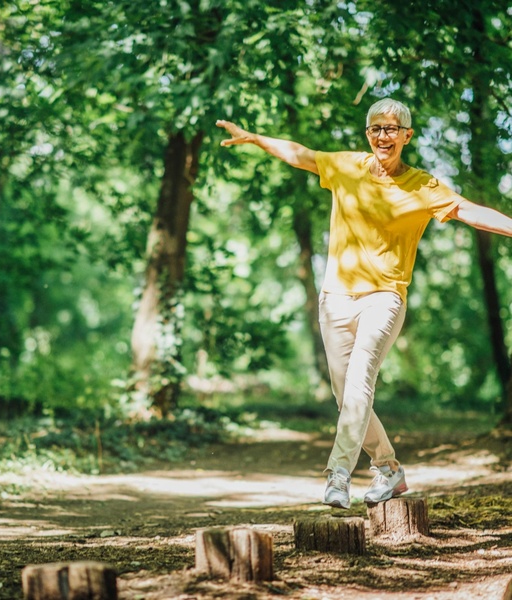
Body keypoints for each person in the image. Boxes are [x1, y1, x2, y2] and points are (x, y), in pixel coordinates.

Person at [216, 98, 512, 509]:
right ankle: (389, 470)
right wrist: (255, 139)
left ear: (407, 135)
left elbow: (467, 209)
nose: (382, 136)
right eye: (375, 128)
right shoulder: (346, 166)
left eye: (391, 128)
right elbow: (300, 154)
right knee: (347, 397)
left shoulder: (422, 186)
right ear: (367, 134)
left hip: (384, 298)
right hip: (334, 299)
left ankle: (338, 475)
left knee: (359, 383)